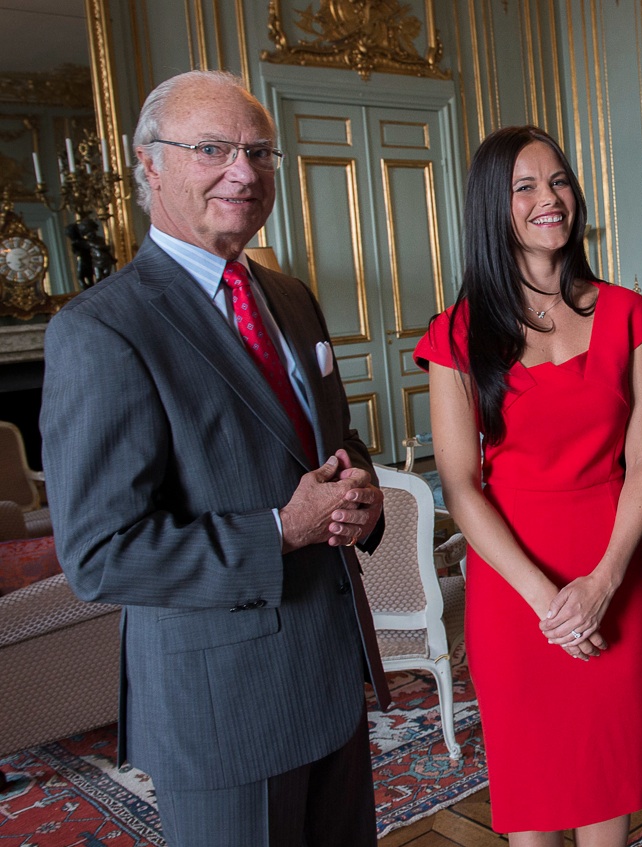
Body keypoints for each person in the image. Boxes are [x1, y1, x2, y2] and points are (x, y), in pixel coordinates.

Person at [41, 70, 390, 847]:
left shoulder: (290, 297)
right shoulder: (102, 330)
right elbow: (99, 555)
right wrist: (281, 529)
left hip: (331, 678)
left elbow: (331, 439)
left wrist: (360, 488)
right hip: (223, 710)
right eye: (211, 150)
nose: (243, 172)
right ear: (150, 162)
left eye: (259, 152)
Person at [415, 125, 642, 845]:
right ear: (492, 207)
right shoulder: (456, 333)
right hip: (513, 590)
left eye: (558, 181)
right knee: (534, 804)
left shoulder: (627, 312)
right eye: (524, 187)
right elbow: (460, 485)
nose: (548, 198)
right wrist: (546, 601)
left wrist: (601, 583)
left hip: (611, 572)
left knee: (606, 787)